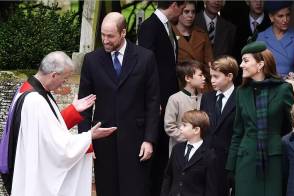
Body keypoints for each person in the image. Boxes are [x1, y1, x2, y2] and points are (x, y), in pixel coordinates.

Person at [1, 51, 116, 196]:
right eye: (65, 78)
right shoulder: (35, 100)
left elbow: (45, 130)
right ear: (54, 75)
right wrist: (88, 137)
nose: (65, 83)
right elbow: (57, 147)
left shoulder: (28, 89)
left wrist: (74, 111)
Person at [78, 12, 160, 196]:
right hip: (103, 140)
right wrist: (86, 141)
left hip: (136, 140)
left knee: (136, 190)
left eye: (110, 36)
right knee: (107, 190)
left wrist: (149, 139)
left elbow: (153, 102)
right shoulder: (91, 60)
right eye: (102, 35)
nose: (105, 40)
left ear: (123, 33)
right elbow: (84, 105)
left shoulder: (146, 58)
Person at [225, 41, 294, 196]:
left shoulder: (283, 90)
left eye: (246, 60)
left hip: (274, 159)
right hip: (246, 160)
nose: (241, 65)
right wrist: (230, 167)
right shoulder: (241, 92)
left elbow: (291, 127)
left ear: (260, 64)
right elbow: (237, 132)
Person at [137, 2, 185, 195]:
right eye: (182, 8)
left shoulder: (167, 26)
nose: (182, 13)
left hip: (167, 97)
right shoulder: (150, 26)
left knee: (164, 149)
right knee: (155, 150)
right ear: (175, 5)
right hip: (157, 99)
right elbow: (147, 65)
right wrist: (153, 98)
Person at [200, 55, 238, 196]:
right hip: (207, 159)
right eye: (211, 76)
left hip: (230, 161)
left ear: (229, 76)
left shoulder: (240, 97)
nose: (212, 80)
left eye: (216, 76)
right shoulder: (207, 97)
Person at [161, 110, 217, 196]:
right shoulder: (177, 149)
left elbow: (210, 187)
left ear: (196, 130)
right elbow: (168, 176)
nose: (180, 127)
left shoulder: (208, 155)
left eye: (184, 125)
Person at [164, 60, 205, 154]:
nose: (204, 78)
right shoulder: (175, 99)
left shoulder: (203, 97)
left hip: (199, 149)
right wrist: (190, 139)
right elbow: (169, 126)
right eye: (200, 75)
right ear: (188, 78)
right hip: (179, 149)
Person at [257, 1, 294, 76]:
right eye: (280, 16)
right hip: (268, 84)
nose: (285, 19)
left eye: (288, 15)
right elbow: (256, 66)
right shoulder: (261, 37)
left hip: (290, 84)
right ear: (271, 17)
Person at [174, 1, 213, 65]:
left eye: (193, 12)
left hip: (200, 73)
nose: (190, 15)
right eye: (186, 12)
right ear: (178, 11)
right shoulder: (169, 33)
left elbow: (209, 63)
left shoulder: (202, 35)